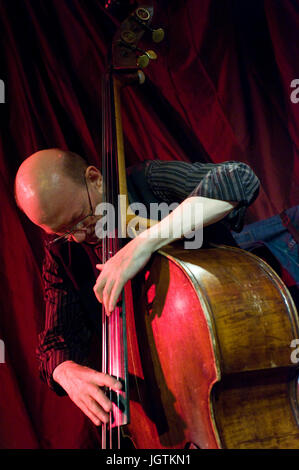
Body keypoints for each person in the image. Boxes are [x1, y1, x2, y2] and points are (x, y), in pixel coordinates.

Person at [14, 148, 260, 427]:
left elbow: (238, 179)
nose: (81, 235)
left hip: (240, 367)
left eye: (83, 218)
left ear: (94, 178)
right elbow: (55, 340)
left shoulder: (146, 183)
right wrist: (64, 370)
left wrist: (148, 241)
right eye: (64, 232)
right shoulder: (62, 255)